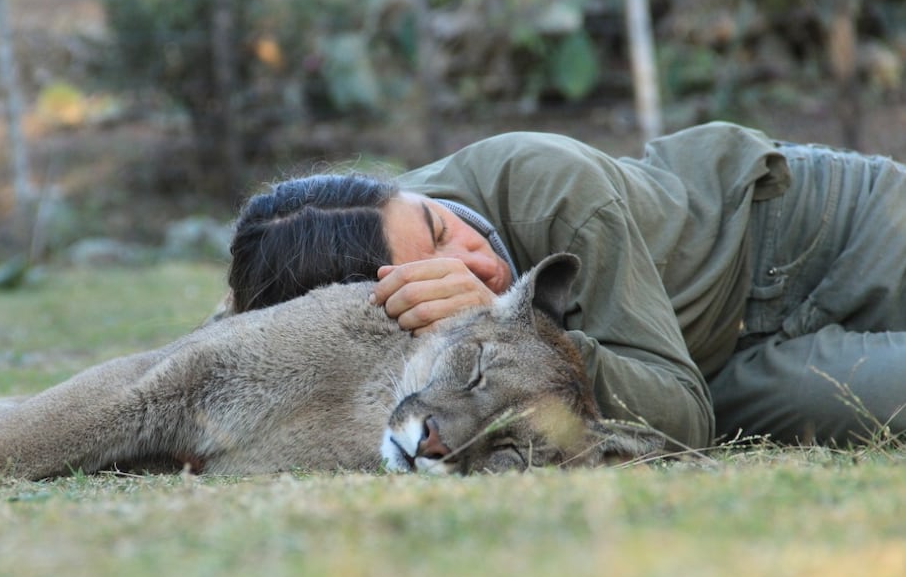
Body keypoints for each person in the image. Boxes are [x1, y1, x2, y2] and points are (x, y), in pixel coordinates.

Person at [226, 121, 906, 451]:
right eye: (437, 274)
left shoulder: (546, 184)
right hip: (729, 375)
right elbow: (243, 330)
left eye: (439, 225)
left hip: (820, 234)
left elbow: (680, 419)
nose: (471, 257)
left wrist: (502, 327)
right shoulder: (337, 289)